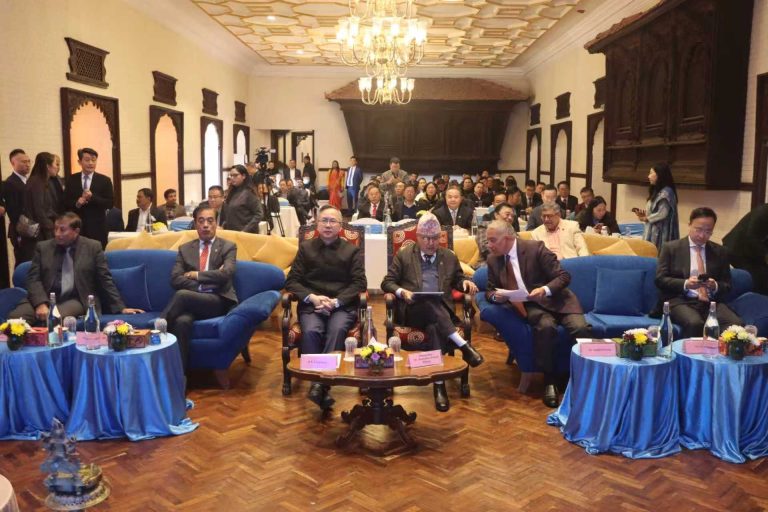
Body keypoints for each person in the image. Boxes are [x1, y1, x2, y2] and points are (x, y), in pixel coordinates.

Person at [381, 213, 484, 411]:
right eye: (426, 238)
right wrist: (402, 292)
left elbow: (458, 279)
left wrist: (465, 283)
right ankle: (463, 346)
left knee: (434, 326)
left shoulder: (449, 256)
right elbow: (387, 282)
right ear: (418, 237)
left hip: (440, 314)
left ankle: (439, 385)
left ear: (440, 238)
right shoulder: (404, 255)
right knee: (428, 301)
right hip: (412, 311)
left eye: (435, 238)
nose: (430, 243)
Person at [485, 220, 590, 407]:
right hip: (532, 305)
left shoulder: (535, 248)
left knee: (581, 329)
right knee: (545, 327)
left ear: (507, 238)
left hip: (559, 300)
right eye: (488, 241)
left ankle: (582, 379)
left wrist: (544, 289)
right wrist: (496, 297)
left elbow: (564, 276)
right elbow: (490, 290)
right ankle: (549, 381)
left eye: (493, 240)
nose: (489, 245)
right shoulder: (494, 260)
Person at [285, 205, 367, 410]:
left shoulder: (351, 251)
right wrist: (312, 298)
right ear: (317, 224)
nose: (328, 225)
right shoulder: (306, 249)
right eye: (324, 221)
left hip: (341, 306)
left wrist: (336, 302)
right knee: (312, 331)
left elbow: (360, 283)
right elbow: (292, 281)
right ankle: (321, 384)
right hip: (312, 305)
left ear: (340, 226)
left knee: (337, 330)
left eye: (333, 221)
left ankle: (319, 384)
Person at [8, 212, 143, 325]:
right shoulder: (43, 248)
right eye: (55, 229)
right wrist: (40, 303)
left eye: (62, 230)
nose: (57, 234)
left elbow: (105, 279)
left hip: (76, 299)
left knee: (53, 318)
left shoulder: (92, 247)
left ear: (76, 231)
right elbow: (33, 279)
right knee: (14, 320)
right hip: (44, 296)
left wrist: (121, 308)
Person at [160, 205, 237, 371]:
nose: (205, 225)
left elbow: (226, 274)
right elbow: (175, 279)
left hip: (217, 301)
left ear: (216, 223)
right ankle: (180, 377)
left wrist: (196, 275)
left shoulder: (228, 247)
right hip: (193, 303)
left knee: (182, 295)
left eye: (210, 221)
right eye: (201, 221)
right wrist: (206, 283)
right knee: (181, 323)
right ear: (195, 224)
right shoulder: (185, 249)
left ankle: (157, 330)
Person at [655, 207, 742, 339]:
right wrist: (686, 284)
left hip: (711, 302)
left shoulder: (720, 252)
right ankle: (689, 353)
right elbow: (660, 279)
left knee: (735, 324)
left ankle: (718, 352)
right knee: (695, 323)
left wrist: (714, 285)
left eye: (708, 231)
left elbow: (727, 284)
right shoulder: (671, 248)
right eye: (698, 229)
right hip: (679, 300)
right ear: (689, 225)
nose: (702, 235)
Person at [64, 148, 114, 248]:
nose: (91, 163)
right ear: (79, 162)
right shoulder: (72, 179)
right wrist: (77, 203)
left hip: (97, 227)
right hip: (77, 227)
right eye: (87, 160)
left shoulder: (105, 180)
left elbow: (110, 203)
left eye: (93, 160)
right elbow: (65, 202)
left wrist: (92, 197)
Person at [722, 204, 768, 294]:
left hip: (753, 250)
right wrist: (765, 255)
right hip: (737, 248)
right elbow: (751, 237)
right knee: (756, 277)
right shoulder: (763, 212)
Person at [634, 162, 679, 250]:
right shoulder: (657, 190)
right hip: (651, 229)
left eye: (651, 173)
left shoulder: (666, 193)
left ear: (660, 174)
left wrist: (647, 218)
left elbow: (662, 213)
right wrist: (645, 215)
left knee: (657, 255)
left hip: (661, 234)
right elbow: (654, 211)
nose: (648, 176)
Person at [22, 153, 59, 249]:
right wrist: (51, 226)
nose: (57, 167)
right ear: (48, 166)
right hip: (39, 232)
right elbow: (38, 210)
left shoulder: (41, 181)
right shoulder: (37, 183)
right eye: (55, 164)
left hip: (42, 229)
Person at [3, 149, 32, 264]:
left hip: (31, 229)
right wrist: (32, 228)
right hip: (21, 230)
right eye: (23, 162)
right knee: (23, 262)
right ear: (13, 163)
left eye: (29, 161)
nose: (27, 164)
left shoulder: (29, 181)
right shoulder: (10, 183)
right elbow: (14, 212)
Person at [219, 165, 264, 233]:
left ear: (243, 176)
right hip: (231, 231)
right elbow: (229, 213)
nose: (232, 178)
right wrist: (223, 225)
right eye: (231, 176)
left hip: (245, 233)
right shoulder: (231, 192)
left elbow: (259, 214)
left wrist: (245, 230)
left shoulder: (249, 193)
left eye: (235, 175)